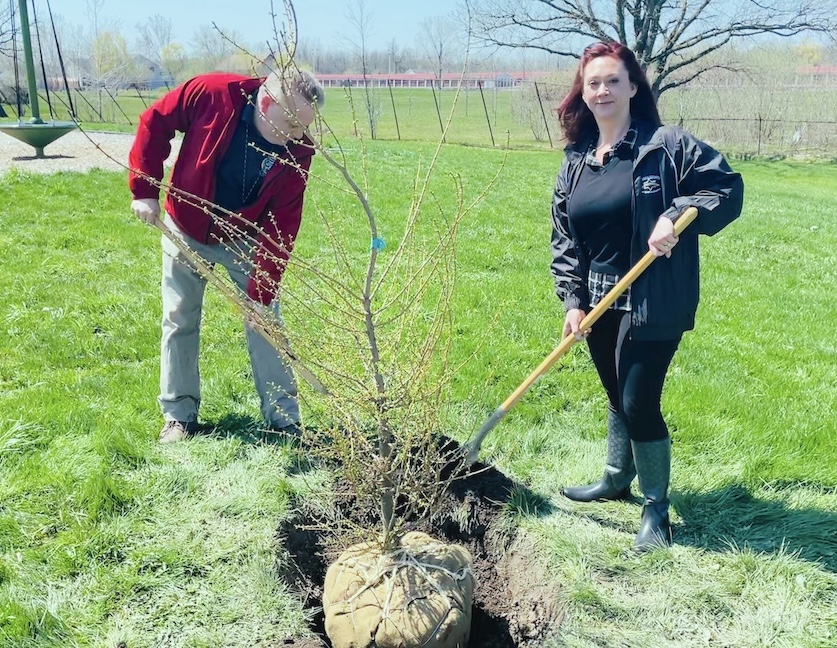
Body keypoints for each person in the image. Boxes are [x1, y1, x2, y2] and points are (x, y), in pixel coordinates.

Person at [550, 42, 744, 551]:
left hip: (652, 297)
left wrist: (675, 214)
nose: (603, 90)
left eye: (613, 80)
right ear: (583, 93)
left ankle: (656, 509)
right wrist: (572, 301)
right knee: (617, 394)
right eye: (594, 82)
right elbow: (565, 239)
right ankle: (617, 477)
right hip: (598, 299)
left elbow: (726, 188)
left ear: (633, 86)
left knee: (638, 402)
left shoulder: (666, 146)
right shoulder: (575, 162)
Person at [128, 68, 325, 443]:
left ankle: (284, 419)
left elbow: (283, 224)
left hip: (243, 237)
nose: (297, 135)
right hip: (185, 225)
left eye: (304, 126)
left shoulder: (297, 152)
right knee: (180, 316)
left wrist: (260, 294)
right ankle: (179, 416)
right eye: (290, 124)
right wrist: (144, 189)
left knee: (265, 321)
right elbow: (155, 122)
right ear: (265, 104)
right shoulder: (213, 94)